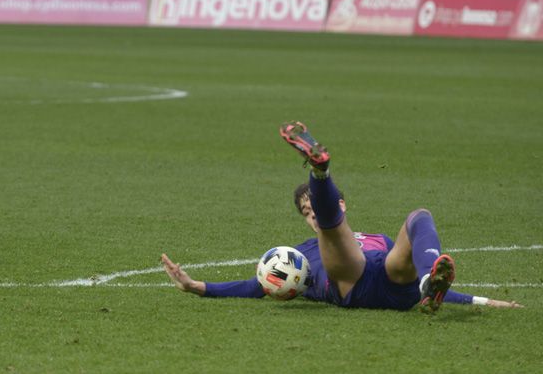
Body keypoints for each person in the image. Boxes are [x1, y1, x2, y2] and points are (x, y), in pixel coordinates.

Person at [162, 122, 524, 311]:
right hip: (349, 280)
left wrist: (481, 301)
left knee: (418, 217)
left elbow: (428, 288)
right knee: (333, 238)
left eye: (314, 209)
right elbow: (257, 286)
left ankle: (430, 270)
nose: (311, 217)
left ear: (343, 204)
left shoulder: (377, 239)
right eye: (306, 212)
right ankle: (320, 173)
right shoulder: (301, 254)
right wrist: (200, 287)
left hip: (392, 284)